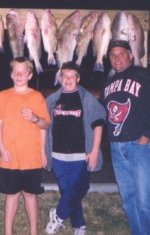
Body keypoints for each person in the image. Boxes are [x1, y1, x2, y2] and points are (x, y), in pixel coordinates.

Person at [100, 40, 150, 235]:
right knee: (128, 199)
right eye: (112, 55)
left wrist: (145, 138)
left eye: (121, 53)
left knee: (146, 200)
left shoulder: (145, 76)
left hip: (139, 145)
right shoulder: (108, 84)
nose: (117, 58)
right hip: (116, 148)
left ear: (130, 55)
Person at [0, 57, 50, 235]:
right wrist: (1, 147)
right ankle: (8, 232)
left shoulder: (37, 97)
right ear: (11, 74)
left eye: (23, 71)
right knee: (12, 194)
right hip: (9, 156)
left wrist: (35, 119)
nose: (19, 75)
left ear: (30, 75)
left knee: (30, 194)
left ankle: (34, 232)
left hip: (31, 156)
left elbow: (45, 126)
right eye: (15, 71)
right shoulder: (3, 95)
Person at [44, 62, 106, 235]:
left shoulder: (87, 99)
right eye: (65, 75)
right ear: (60, 78)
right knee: (68, 192)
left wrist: (94, 151)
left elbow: (98, 124)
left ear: (78, 78)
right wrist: (43, 152)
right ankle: (79, 225)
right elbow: (42, 126)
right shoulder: (51, 100)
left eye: (72, 76)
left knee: (80, 188)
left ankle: (58, 215)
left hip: (81, 154)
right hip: (58, 155)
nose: (68, 79)